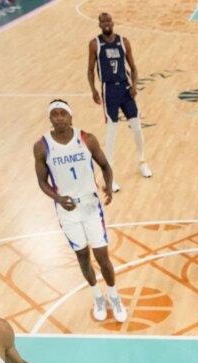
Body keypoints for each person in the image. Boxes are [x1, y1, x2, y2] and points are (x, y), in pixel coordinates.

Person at [33, 99, 127, 324]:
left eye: (62, 114)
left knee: (102, 257)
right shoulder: (42, 146)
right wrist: (58, 198)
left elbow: (105, 165)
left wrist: (109, 186)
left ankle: (114, 297)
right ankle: (98, 298)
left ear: (71, 117)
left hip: (90, 206)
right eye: (54, 114)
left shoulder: (87, 139)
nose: (59, 118)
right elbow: (41, 181)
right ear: (50, 119)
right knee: (82, 257)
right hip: (67, 210)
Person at [87, 12, 151, 192]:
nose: (106, 23)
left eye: (108, 20)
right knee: (111, 132)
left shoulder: (124, 41)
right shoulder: (94, 44)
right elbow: (90, 70)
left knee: (137, 127)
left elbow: (134, 67)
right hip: (109, 90)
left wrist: (135, 85)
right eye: (103, 21)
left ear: (112, 22)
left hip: (125, 87)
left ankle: (142, 162)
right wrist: (93, 90)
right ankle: (110, 176)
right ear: (99, 24)